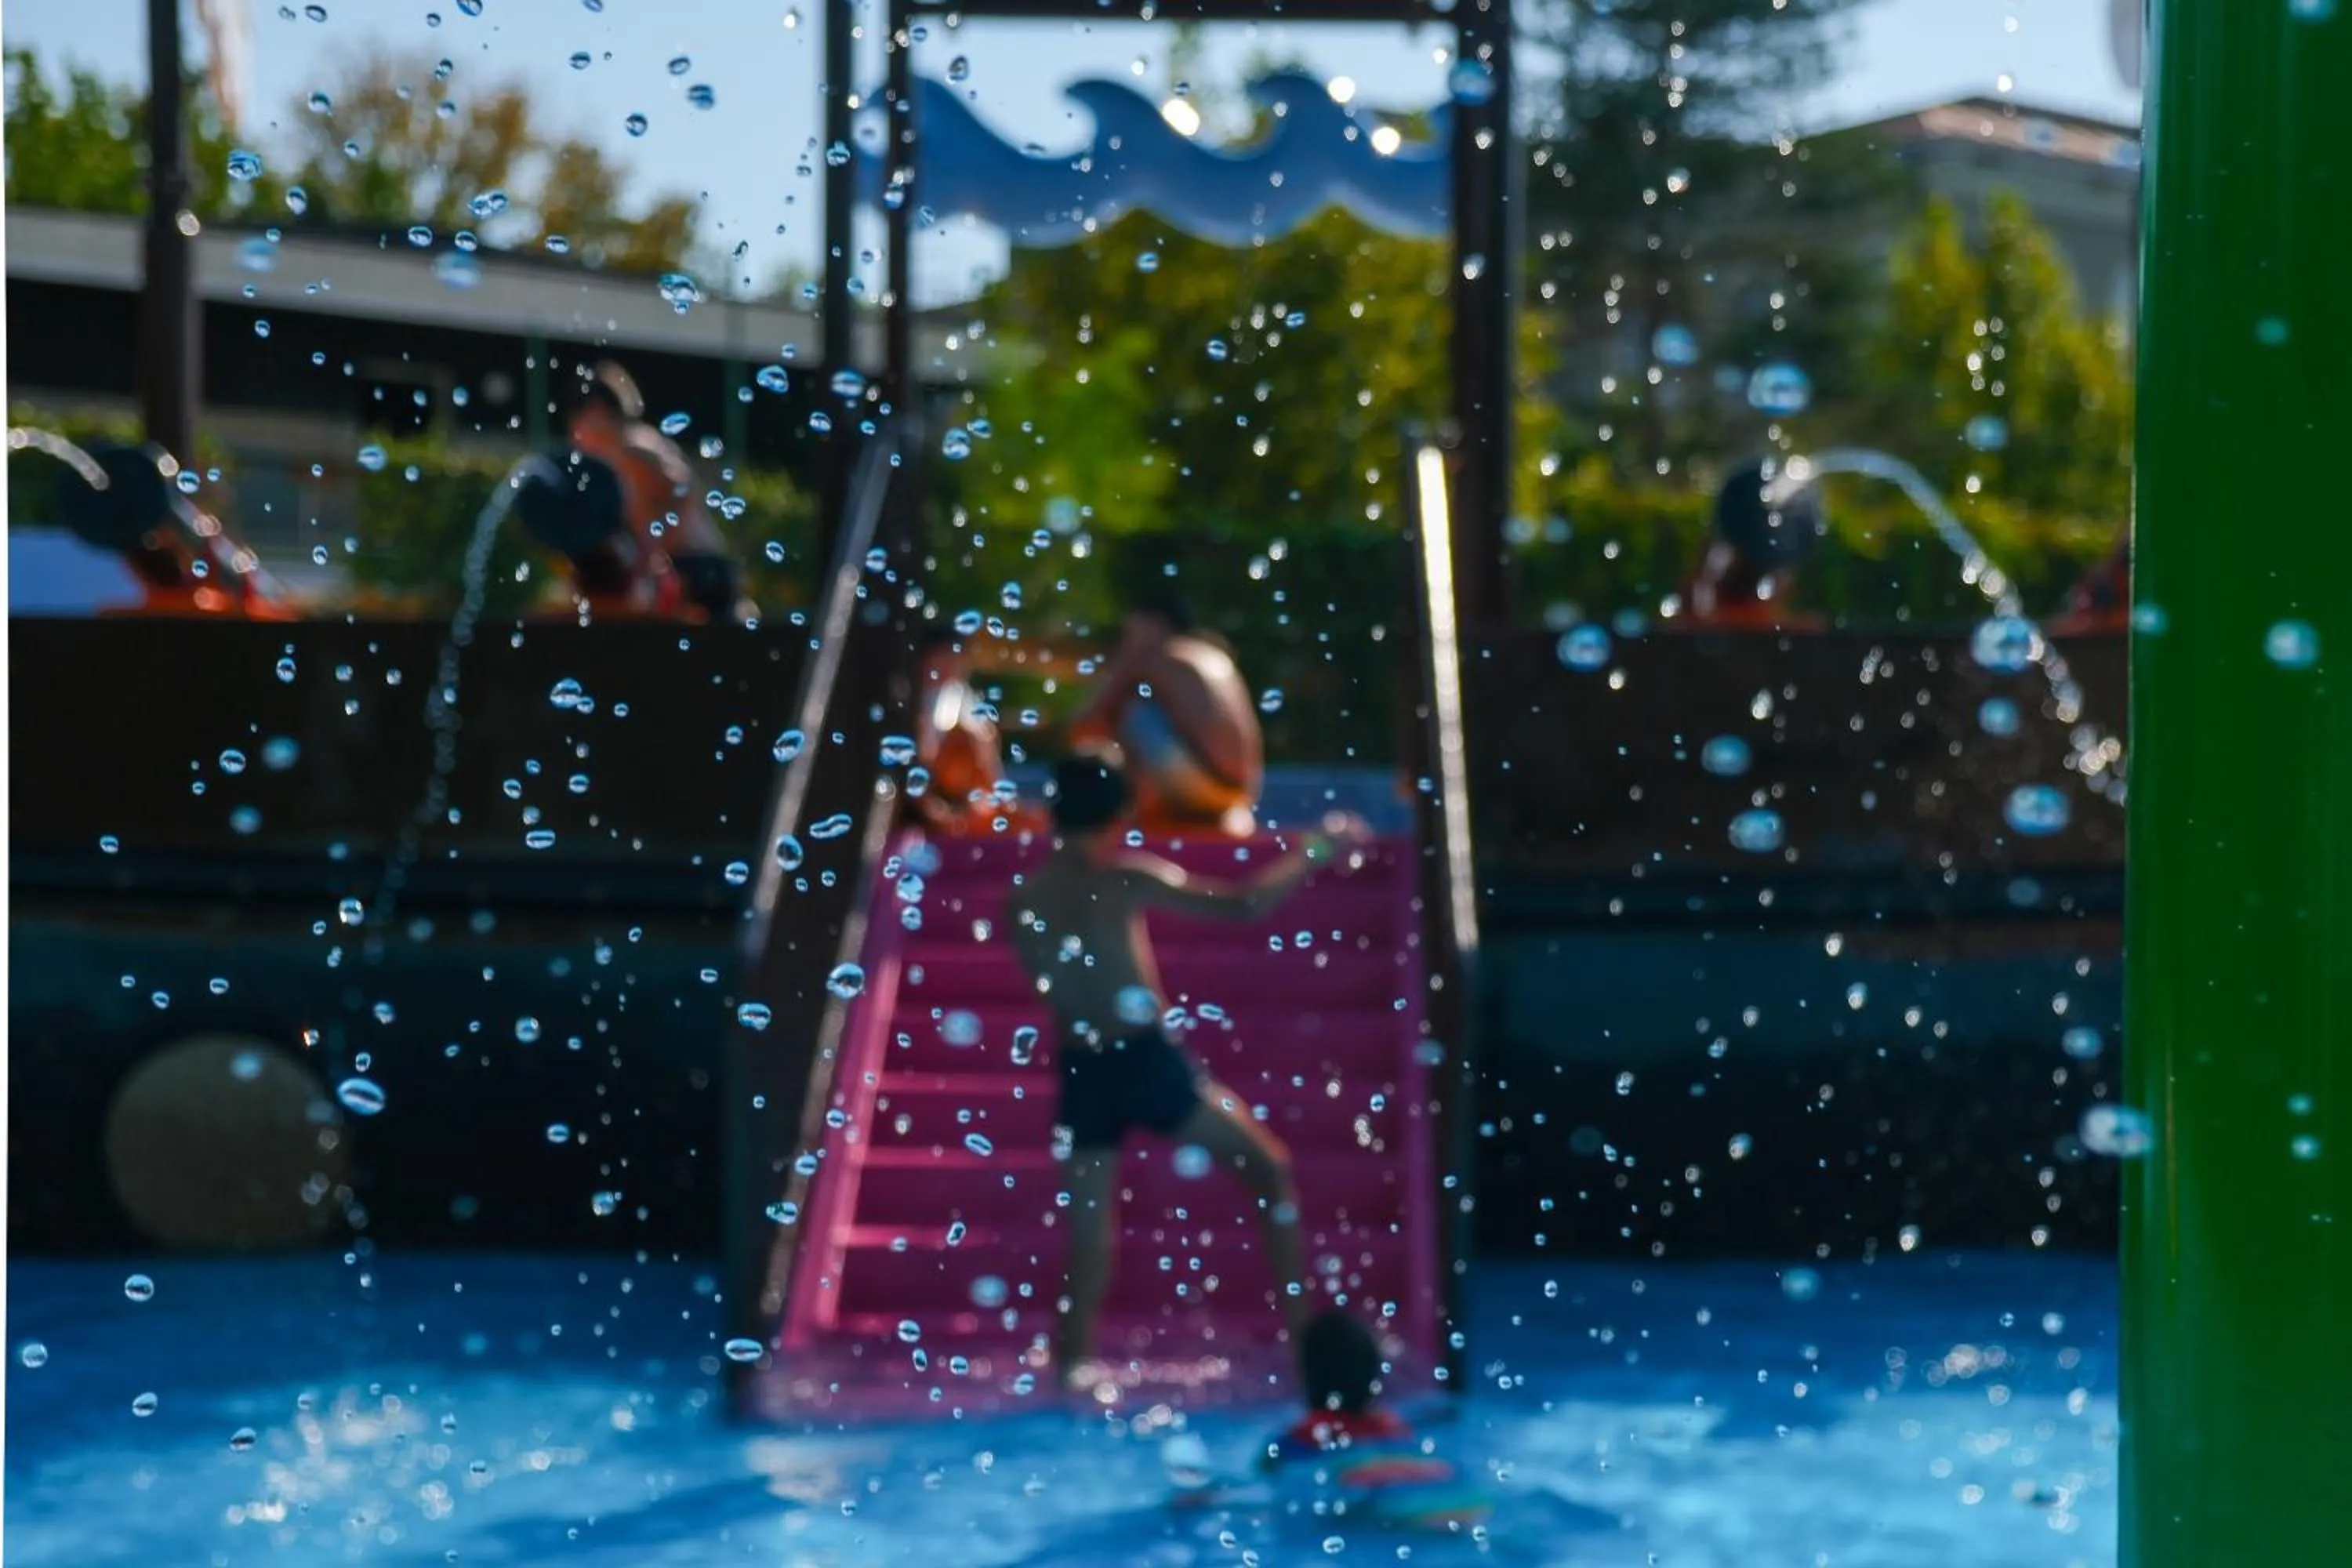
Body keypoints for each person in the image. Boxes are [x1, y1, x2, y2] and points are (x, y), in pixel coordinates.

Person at [1008, 747, 1364, 1388]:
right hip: (1146, 1061)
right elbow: (1244, 906)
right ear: (1119, 815)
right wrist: (1316, 849)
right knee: (1267, 1168)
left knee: (1089, 1242)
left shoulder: (1024, 903)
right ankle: (1307, 1348)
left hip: (1082, 1068)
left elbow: (1059, 987)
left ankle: (1068, 1376)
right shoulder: (1124, 880)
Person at [560, 360, 751, 622]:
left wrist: (651, 555)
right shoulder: (608, 462)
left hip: (698, 569)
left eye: (578, 423)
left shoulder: (633, 447)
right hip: (679, 570)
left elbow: (683, 493)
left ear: (597, 413)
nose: (575, 436)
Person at [1066, 588, 1264, 837]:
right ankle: (1208, 816)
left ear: (1153, 624)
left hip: (1199, 782)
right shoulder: (1212, 655)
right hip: (1240, 791)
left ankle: (1137, 814)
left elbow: (1086, 724)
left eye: (1130, 630)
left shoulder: (1155, 654)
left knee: (1133, 709)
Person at [912, 625, 1042, 834]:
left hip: (953, 791)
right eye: (943, 658)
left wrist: (1000, 796)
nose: (951, 666)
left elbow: (985, 749)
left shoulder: (958, 696)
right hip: (921, 787)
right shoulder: (910, 696)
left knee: (977, 736)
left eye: (955, 660)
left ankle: (993, 809)